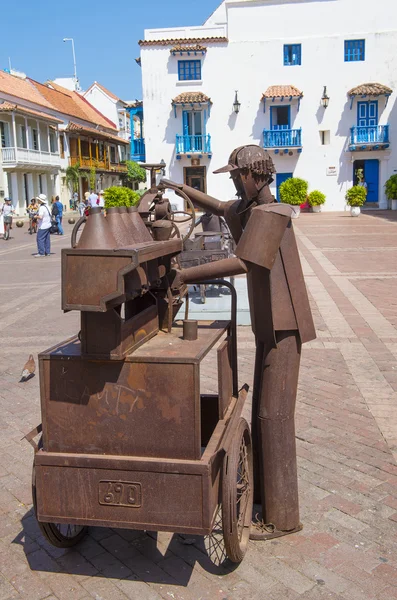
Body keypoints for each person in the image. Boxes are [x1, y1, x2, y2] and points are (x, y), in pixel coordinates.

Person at [161, 145, 316, 541]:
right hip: (270, 325)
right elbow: (218, 207)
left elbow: (245, 262)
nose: (232, 181)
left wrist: (186, 275)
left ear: (256, 175)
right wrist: (183, 190)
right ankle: (266, 498)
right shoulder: (249, 211)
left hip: (285, 326)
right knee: (267, 414)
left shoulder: (272, 214)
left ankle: (283, 518)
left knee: (273, 417)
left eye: (236, 175)